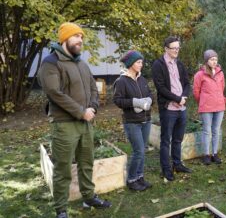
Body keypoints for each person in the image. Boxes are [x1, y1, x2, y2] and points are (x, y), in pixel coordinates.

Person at [38, 22, 111, 218]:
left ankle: (88, 196)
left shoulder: (82, 64)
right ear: (64, 39)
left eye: (81, 37)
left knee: (86, 163)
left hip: (86, 123)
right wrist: (81, 111)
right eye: (76, 36)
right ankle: (61, 209)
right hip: (64, 125)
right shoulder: (51, 63)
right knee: (63, 168)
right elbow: (55, 93)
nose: (80, 40)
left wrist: (93, 108)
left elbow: (94, 88)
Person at [152, 36, 192, 181]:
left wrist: (184, 97)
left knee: (178, 139)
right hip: (168, 108)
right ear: (166, 49)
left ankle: (177, 164)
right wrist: (177, 99)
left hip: (181, 108)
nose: (176, 50)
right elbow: (161, 87)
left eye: (178, 48)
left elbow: (187, 83)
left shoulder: (179, 64)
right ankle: (166, 169)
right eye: (173, 48)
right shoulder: (158, 64)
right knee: (166, 140)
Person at [113, 50, 153, 191]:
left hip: (146, 120)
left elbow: (149, 94)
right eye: (138, 62)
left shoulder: (142, 79)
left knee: (143, 150)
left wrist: (149, 100)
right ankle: (131, 179)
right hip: (132, 122)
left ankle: (139, 177)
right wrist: (135, 102)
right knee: (139, 151)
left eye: (141, 62)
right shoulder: (121, 81)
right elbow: (117, 100)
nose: (141, 64)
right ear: (131, 64)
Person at [193, 50, 226, 165]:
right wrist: (203, 101)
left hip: (219, 105)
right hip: (206, 106)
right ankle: (206, 154)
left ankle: (214, 153)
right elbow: (196, 91)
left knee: (216, 130)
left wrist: (219, 98)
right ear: (206, 61)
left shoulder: (220, 73)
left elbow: (222, 87)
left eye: (216, 59)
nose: (214, 61)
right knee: (207, 131)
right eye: (212, 59)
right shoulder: (199, 74)